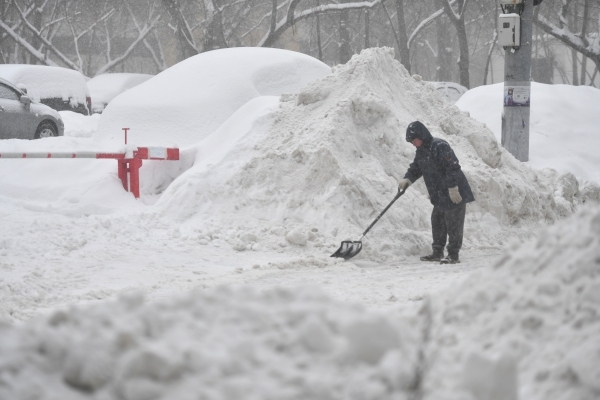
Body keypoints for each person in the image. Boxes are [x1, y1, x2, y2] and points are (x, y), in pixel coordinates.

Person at [398, 121, 475, 264]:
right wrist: (407, 180)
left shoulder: (440, 146)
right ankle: (437, 252)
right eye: (411, 142)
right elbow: (416, 168)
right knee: (437, 221)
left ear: (421, 135)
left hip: (455, 192)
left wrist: (453, 188)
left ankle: (453, 254)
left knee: (454, 224)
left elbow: (452, 167)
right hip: (440, 194)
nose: (413, 144)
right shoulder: (421, 151)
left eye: (414, 140)